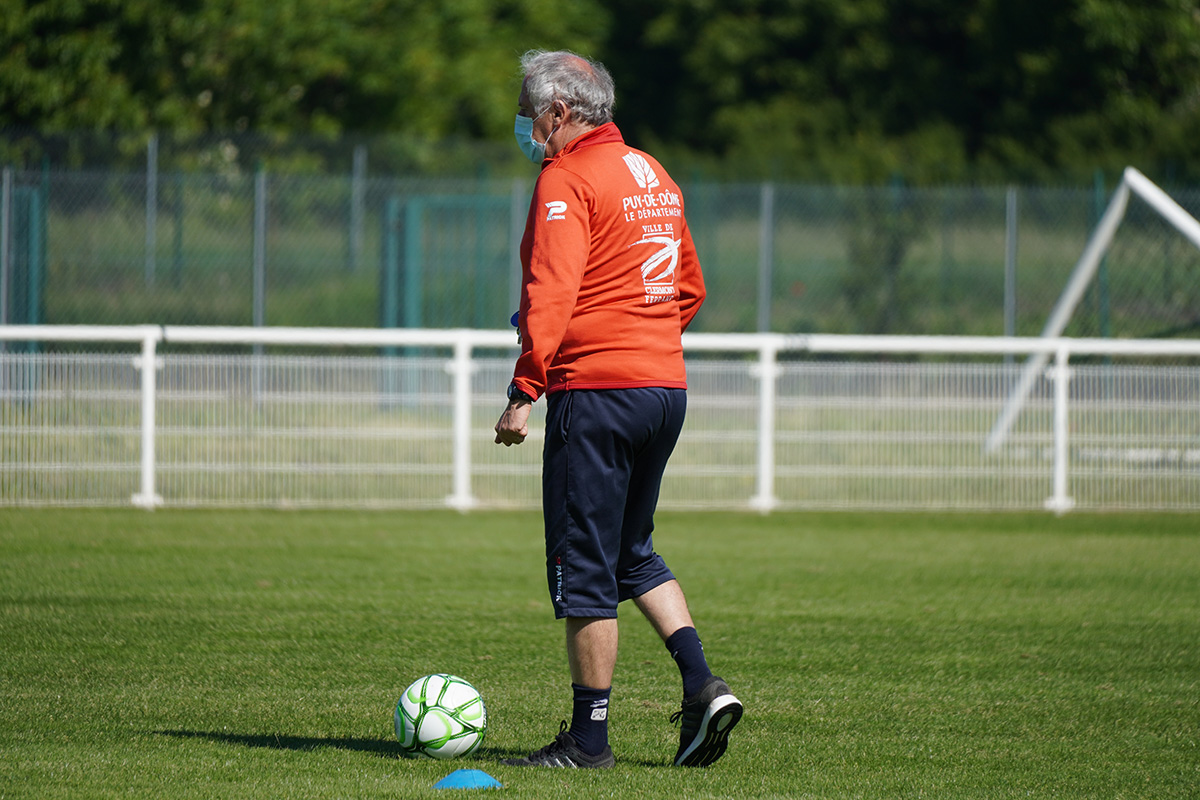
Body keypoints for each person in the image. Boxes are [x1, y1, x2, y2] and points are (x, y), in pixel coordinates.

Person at [494, 49, 742, 769]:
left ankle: (588, 740)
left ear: (558, 113)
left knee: (582, 565)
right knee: (631, 551)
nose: (524, 126)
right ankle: (702, 685)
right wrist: (643, 337)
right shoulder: (652, 172)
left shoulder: (566, 177)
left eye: (527, 112)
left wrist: (524, 390)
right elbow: (688, 287)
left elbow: (551, 289)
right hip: (663, 388)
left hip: (597, 393)